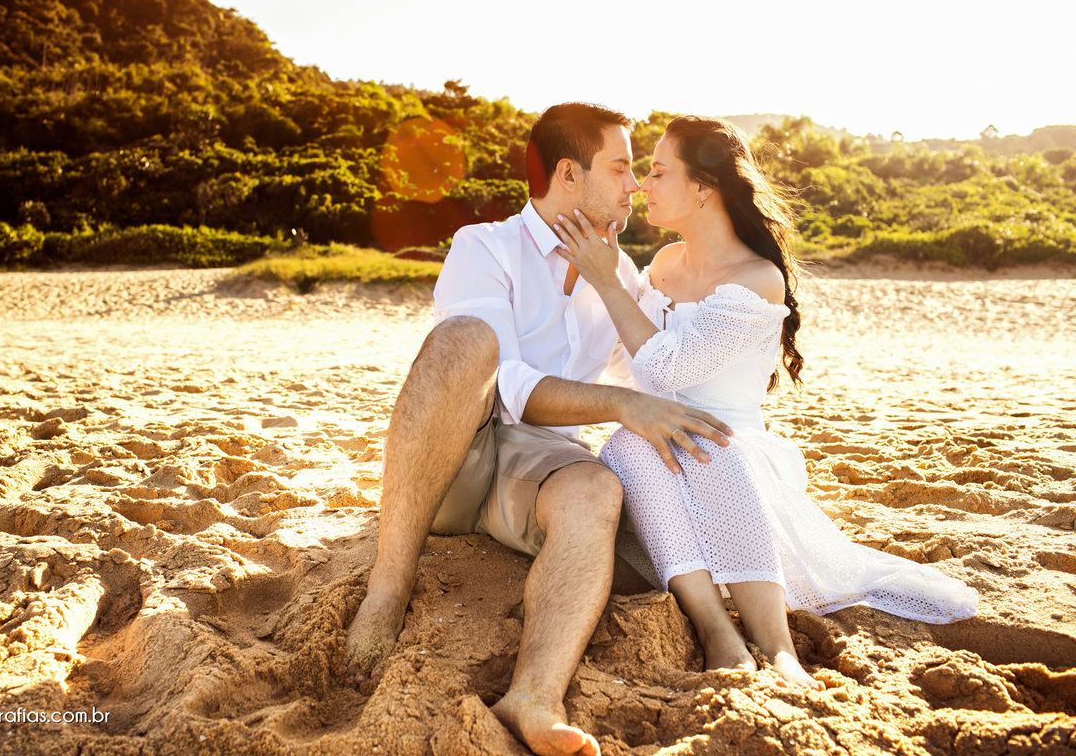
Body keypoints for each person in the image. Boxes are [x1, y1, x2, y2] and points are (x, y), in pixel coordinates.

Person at [343, 103, 733, 756]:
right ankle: (387, 587)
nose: (635, 185)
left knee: (598, 490)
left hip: (539, 470)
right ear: (569, 175)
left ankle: (534, 695)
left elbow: (652, 378)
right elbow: (509, 383)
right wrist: (621, 405)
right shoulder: (484, 246)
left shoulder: (619, 274)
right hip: (455, 457)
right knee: (466, 341)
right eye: (620, 167)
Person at [553, 115, 978, 690]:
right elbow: (631, 367)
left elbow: (669, 368)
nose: (642, 185)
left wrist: (608, 282)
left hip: (732, 449)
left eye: (657, 171)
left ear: (703, 188)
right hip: (657, 441)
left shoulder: (757, 279)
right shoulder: (663, 265)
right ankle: (715, 629)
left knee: (707, 444)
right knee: (629, 443)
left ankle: (778, 646)